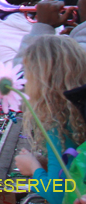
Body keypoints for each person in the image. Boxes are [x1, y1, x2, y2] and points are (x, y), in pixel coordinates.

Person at [14, 36, 86, 204]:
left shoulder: (58, 123)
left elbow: (57, 194)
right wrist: (46, 163)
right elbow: (74, 169)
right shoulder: (79, 110)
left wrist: (33, 168)